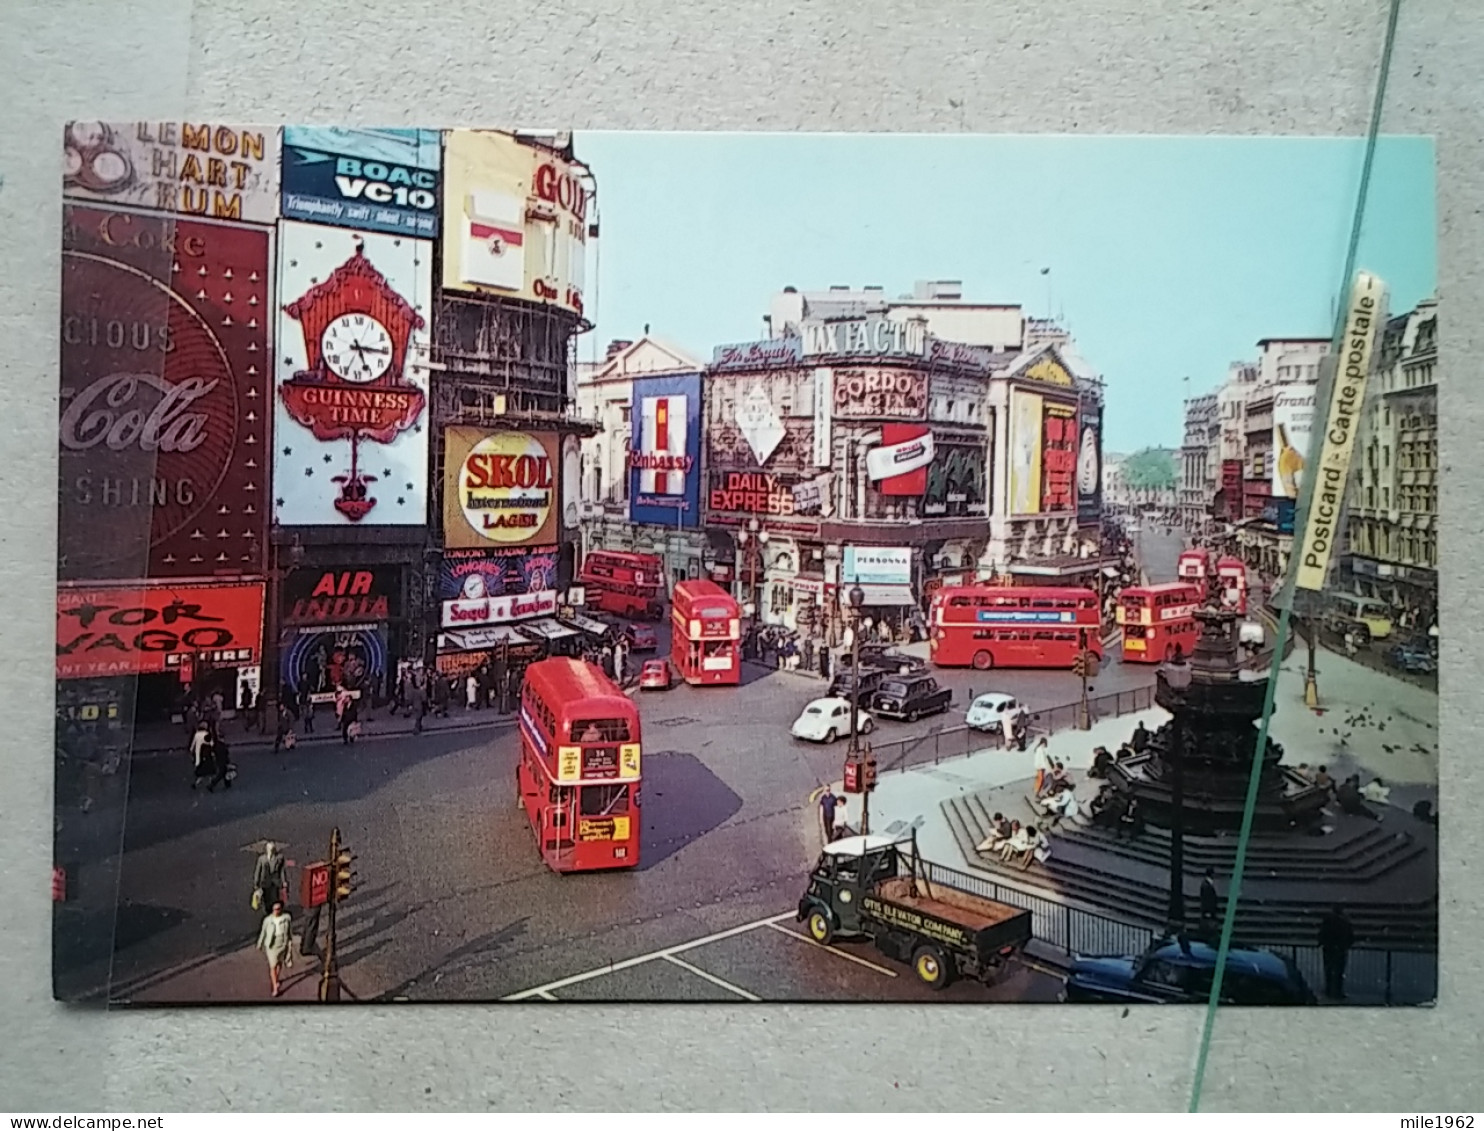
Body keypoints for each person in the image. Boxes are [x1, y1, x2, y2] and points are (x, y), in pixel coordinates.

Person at [256, 900, 294, 998]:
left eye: (278, 909)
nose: (276, 911)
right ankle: (275, 987)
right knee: (273, 965)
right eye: (274, 909)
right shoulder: (267, 920)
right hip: (272, 945)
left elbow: (289, 931)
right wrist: (260, 943)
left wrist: (290, 942)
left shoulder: (286, 918)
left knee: (279, 963)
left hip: (282, 943)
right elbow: (263, 932)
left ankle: (276, 979)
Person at [1318, 905, 1356, 1001]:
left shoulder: (1328, 920)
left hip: (1329, 948)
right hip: (1340, 949)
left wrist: (1322, 942)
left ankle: (1328, 990)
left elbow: (1322, 932)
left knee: (1328, 970)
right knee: (1339, 971)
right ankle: (1337, 991)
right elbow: (1350, 935)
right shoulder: (1345, 921)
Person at [252, 842, 287, 912]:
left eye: (272, 849)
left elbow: (282, 870)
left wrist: (284, 881)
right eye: (270, 849)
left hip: (275, 882)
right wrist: (256, 883)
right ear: (267, 849)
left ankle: (274, 910)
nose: (271, 850)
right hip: (265, 882)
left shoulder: (279, 858)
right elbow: (257, 872)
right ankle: (267, 911)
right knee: (266, 898)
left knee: (275, 898)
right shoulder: (262, 859)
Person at [189, 722, 213, 790]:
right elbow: (211, 744)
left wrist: (191, 752)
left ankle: (196, 783)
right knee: (210, 771)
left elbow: (193, 744)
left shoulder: (197, 734)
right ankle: (210, 783)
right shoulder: (207, 734)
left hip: (199, 754)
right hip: (207, 754)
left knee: (201, 771)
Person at [1198, 869, 1220, 936]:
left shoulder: (1206, 884)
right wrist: (1208, 911)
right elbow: (1207, 900)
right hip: (1208, 911)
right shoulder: (1206, 886)